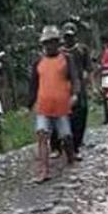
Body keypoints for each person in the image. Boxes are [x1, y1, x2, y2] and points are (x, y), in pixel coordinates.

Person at [28, 25, 81, 183]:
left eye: (53, 42)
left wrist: (75, 94)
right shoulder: (38, 61)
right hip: (43, 105)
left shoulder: (66, 58)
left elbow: (75, 78)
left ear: (58, 43)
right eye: (47, 43)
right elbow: (33, 84)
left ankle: (71, 157)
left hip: (62, 105)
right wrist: (29, 104)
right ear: (43, 45)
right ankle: (44, 170)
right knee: (42, 135)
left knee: (66, 135)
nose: (50, 46)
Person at [61, 22, 92, 154]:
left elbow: (88, 68)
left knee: (82, 112)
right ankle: (66, 141)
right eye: (66, 36)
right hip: (63, 87)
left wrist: (87, 80)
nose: (69, 39)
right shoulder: (60, 52)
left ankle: (78, 141)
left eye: (71, 36)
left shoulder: (82, 49)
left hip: (80, 86)